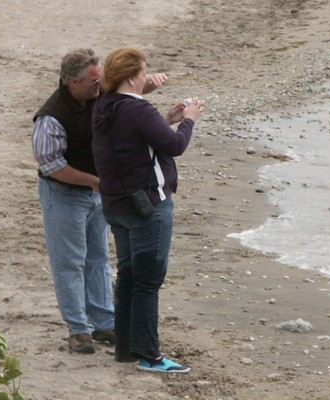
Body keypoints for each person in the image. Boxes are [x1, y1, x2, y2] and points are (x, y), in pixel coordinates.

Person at [31, 48, 167, 354]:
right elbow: (52, 166)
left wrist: (149, 82)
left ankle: (104, 323)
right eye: (94, 81)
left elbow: (125, 92)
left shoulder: (99, 94)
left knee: (99, 260)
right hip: (63, 193)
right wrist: (95, 182)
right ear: (71, 82)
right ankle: (78, 330)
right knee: (69, 262)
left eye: (101, 78)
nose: (100, 85)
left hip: (97, 194)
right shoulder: (51, 118)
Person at [92, 46, 202, 373]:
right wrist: (189, 121)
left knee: (128, 275)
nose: (147, 76)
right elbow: (175, 146)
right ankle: (149, 355)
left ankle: (126, 349)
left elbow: (134, 140)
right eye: (143, 71)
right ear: (131, 76)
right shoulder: (138, 110)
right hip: (147, 206)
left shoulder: (103, 106)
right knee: (147, 280)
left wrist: (167, 119)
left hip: (117, 205)